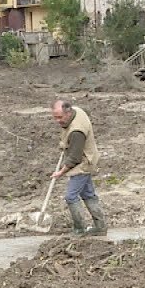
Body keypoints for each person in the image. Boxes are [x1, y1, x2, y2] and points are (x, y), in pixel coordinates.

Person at [50, 98, 107, 235]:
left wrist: (60, 172)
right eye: (55, 117)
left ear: (68, 113)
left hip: (83, 163)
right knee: (88, 194)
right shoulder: (77, 111)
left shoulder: (77, 131)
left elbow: (74, 159)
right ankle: (100, 227)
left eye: (60, 117)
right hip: (87, 157)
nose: (58, 121)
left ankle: (79, 229)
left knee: (71, 196)